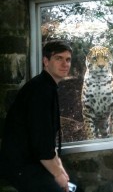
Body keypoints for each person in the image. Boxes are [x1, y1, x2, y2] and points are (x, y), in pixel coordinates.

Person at [0, 40, 72, 192]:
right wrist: (58, 175)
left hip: (34, 162)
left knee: (75, 187)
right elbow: (42, 145)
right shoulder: (40, 91)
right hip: (21, 166)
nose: (65, 64)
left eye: (68, 59)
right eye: (58, 58)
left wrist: (60, 169)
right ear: (46, 62)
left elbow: (48, 141)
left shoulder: (47, 87)